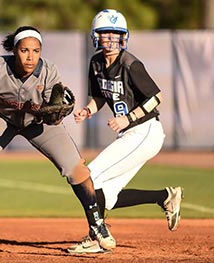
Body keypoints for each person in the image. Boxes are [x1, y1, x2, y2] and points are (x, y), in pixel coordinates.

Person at [0, 25, 115, 254]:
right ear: (14, 50)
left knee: (76, 168)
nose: (30, 56)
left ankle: (97, 224)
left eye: (36, 50)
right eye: (24, 50)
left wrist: (53, 112)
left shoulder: (49, 71)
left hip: (36, 121)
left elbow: (53, 109)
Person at [68, 9, 184, 253]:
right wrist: (87, 111)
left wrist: (128, 118)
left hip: (145, 131)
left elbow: (156, 97)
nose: (110, 39)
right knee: (108, 196)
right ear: (95, 36)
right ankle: (164, 196)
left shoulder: (130, 63)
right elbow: (99, 97)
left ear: (123, 37)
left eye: (115, 34)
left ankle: (95, 237)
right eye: (105, 33)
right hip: (131, 133)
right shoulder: (96, 63)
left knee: (91, 176)